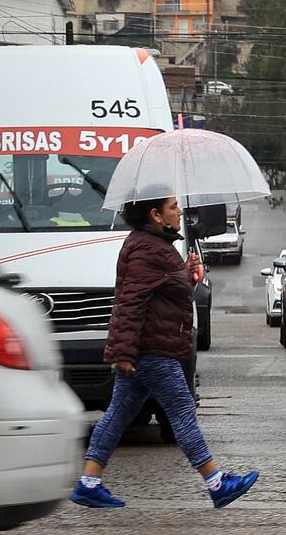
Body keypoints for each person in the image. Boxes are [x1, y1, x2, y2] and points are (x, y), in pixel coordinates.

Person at [70, 194, 259, 509]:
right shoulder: (147, 249)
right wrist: (124, 353)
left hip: (147, 348)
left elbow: (164, 292)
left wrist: (187, 273)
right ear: (156, 215)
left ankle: (89, 482)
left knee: (118, 414)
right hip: (152, 349)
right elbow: (131, 302)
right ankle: (216, 483)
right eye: (174, 207)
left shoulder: (155, 247)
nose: (180, 211)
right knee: (182, 411)